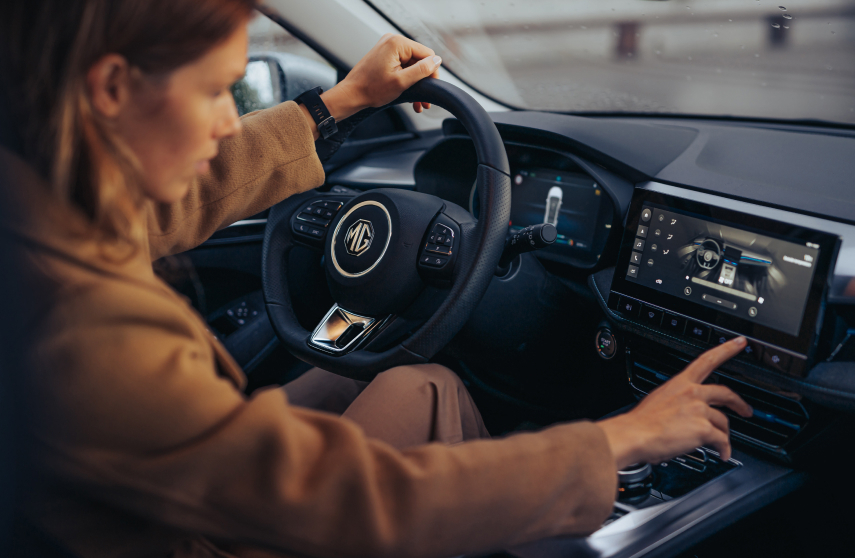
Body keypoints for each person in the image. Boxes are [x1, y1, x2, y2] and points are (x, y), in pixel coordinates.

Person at [0, 1, 753, 557]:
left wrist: (339, 104)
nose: (228, 122)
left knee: (359, 370)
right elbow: (354, 501)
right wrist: (616, 441)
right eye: (214, 92)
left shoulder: (38, 205)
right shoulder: (79, 326)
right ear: (110, 88)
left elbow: (170, 202)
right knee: (426, 386)